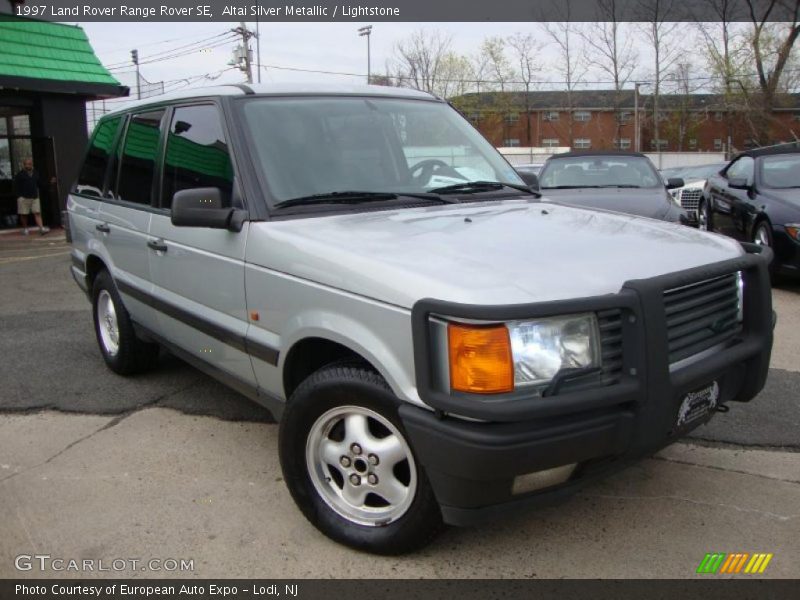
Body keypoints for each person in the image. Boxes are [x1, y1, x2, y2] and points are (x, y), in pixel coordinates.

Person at [14, 157, 50, 236]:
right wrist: (19, 196)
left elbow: (40, 184)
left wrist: (49, 183)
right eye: (27, 164)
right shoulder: (20, 175)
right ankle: (25, 228)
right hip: (23, 197)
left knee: (37, 212)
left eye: (30, 164)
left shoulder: (36, 173)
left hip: (34, 196)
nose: (28, 166)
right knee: (24, 214)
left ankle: (41, 228)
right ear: (24, 165)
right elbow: (16, 186)